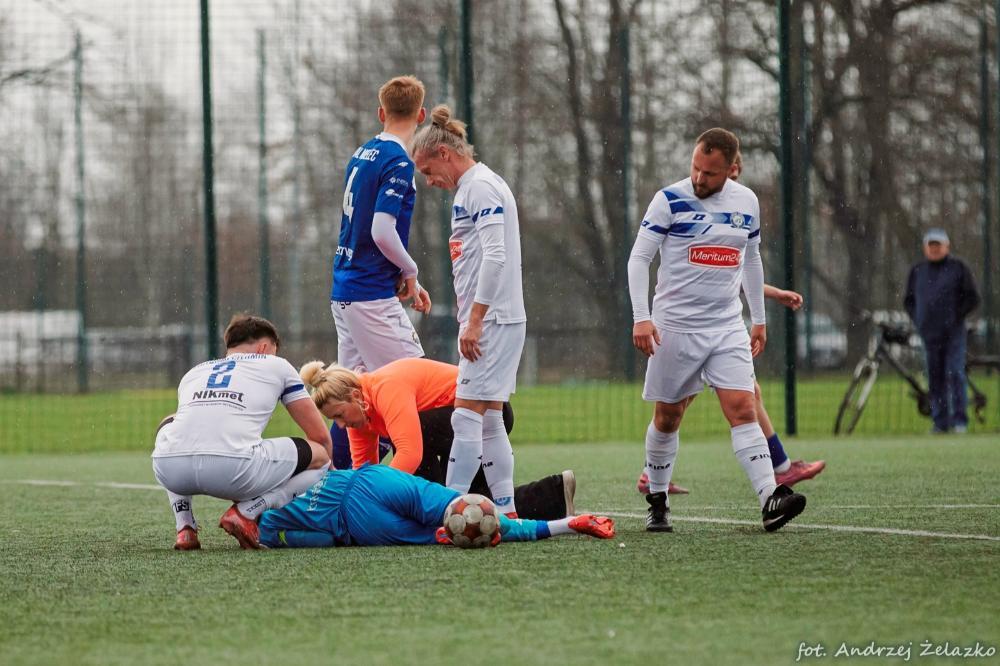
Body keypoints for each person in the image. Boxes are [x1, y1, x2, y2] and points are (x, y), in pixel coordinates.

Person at [627, 128, 806, 533]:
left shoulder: (747, 202)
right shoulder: (668, 200)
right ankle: (657, 498)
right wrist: (642, 316)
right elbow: (639, 259)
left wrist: (758, 319)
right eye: (695, 168)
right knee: (668, 416)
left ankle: (769, 498)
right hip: (674, 328)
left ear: (732, 170)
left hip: (727, 326)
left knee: (743, 407)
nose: (699, 179)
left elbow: (751, 258)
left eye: (709, 173)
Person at [411, 105, 525, 516]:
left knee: (465, 415)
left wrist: (475, 319)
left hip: (492, 320)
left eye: (427, 170)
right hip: (495, 318)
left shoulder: (479, 187)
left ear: (444, 153)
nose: (428, 181)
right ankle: (508, 509)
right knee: (490, 416)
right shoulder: (475, 187)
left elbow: (495, 257)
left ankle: (450, 509)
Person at [299, 357, 575, 521]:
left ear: (355, 396)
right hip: (457, 430)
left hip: (490, 416)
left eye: (339, 415)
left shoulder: (386, 388)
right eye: (334, 420)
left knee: (411, 442)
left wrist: (384, 497)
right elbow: (365, 472)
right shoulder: (358, 416)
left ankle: (431, 510)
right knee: (479, 506)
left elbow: (410, 453)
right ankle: (554, 494)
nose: (341, 424)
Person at [152, 315, 333, 551]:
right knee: (320, 455)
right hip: (234, 469)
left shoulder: (194, 372)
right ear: (264, 347)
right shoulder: (277, 365)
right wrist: (332, 478)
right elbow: (320, 436)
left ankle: (185, 528)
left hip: (170, 470)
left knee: (170, 425)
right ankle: (246, 512)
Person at [329, 75, 433, 470]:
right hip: (370, 294)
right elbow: (381, 230)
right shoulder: (398, 161)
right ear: (421, 115)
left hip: (345, 288)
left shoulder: (362, 153)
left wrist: (407, 277)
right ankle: (422, 483)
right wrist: (411, 267)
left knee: (350, 393)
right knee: (417, 386)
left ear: (381, 112)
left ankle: (337, 478)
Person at [258, 464, 615, 548]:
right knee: (467, 514)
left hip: (358, 520)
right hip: (371, 480)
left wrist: (337, 538)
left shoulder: (264, 525)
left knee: (452, 531)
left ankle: (569, 523)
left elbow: (303, 539)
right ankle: (569, 523)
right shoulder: (278, 459)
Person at [904, 228, 980, 433]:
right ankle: (940, 422)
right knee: (934, 376)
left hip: (954, 333)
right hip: (928, 333)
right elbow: (909, 301)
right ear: (925, 248)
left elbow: (972, 297)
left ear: (947, 246)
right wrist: (919, 320)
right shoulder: (918, 271)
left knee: (954, 373)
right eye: (931, 245)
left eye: (938, 245)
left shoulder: (958, 268)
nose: (935, 249)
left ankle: (959, 420)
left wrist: (955, 317)